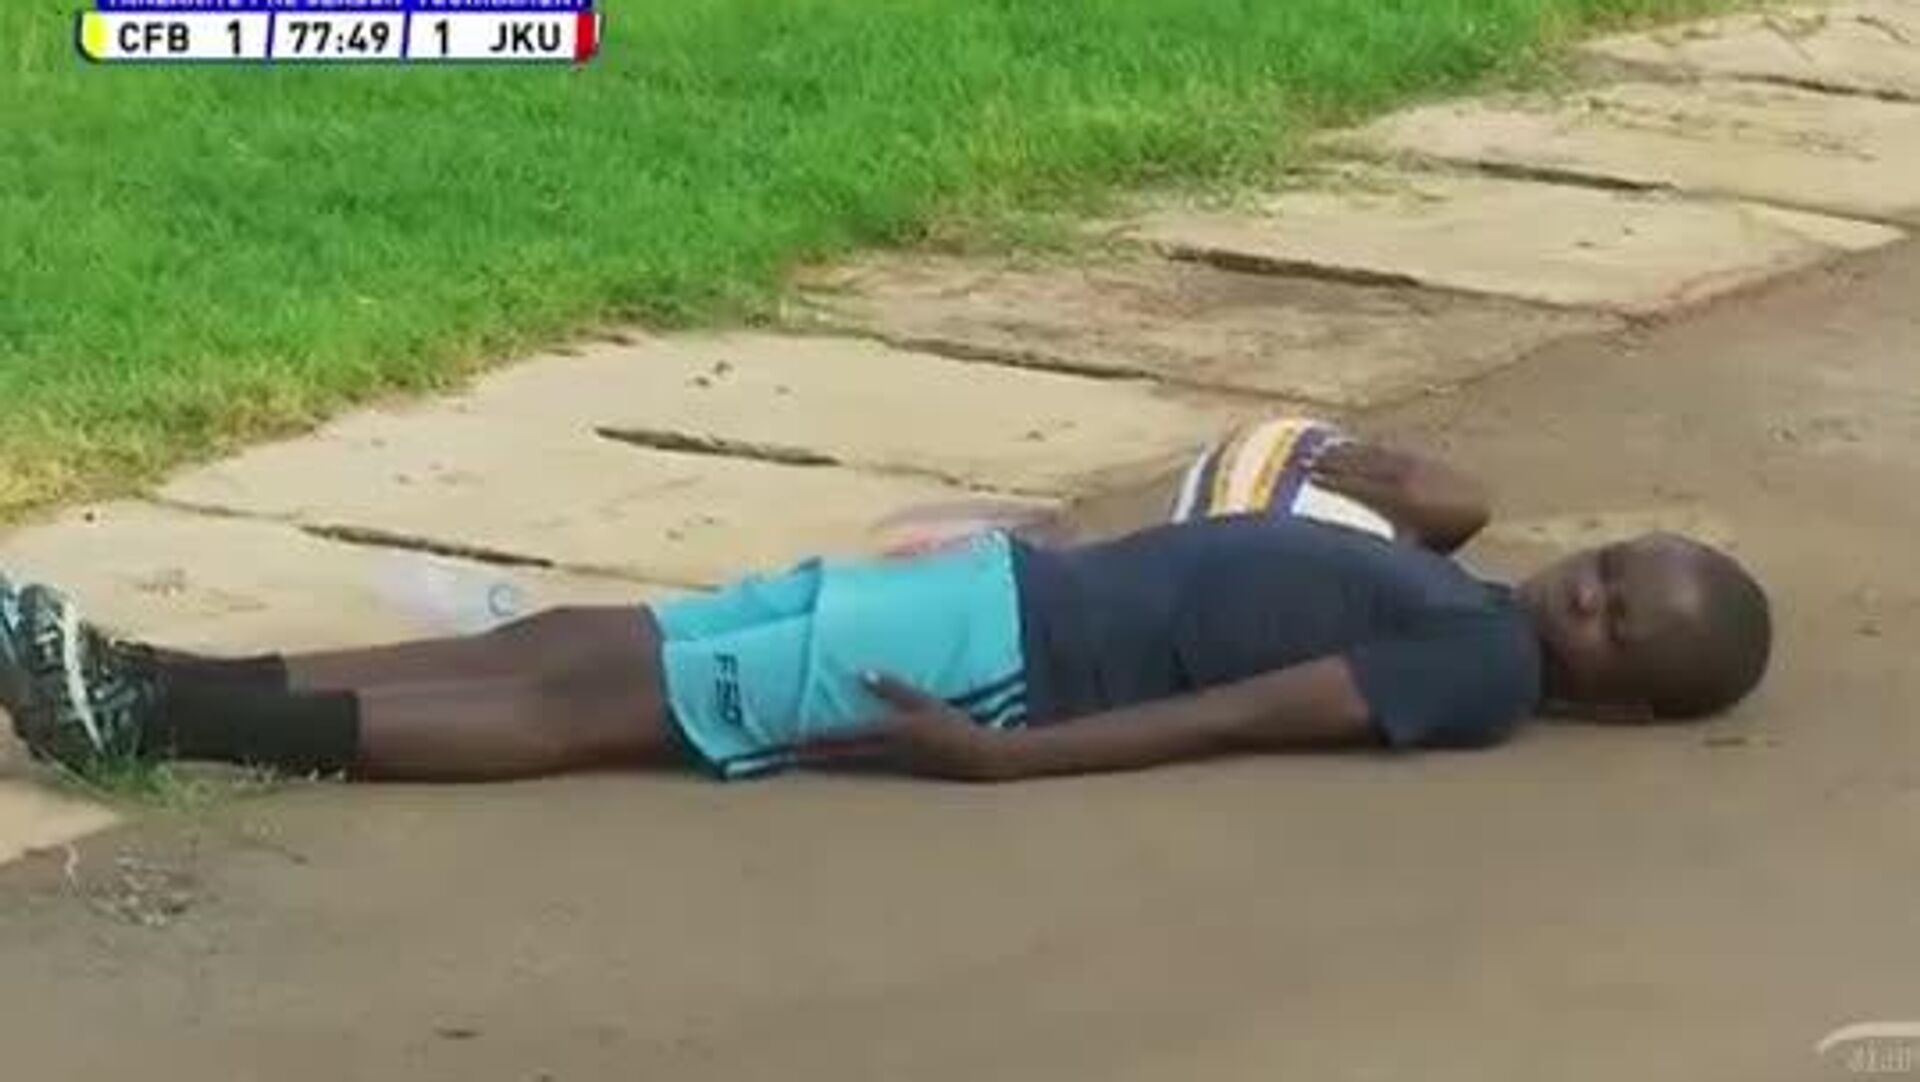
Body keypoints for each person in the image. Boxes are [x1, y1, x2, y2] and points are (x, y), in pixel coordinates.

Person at [0, 490, 1771, 783]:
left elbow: (1255, 708)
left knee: (597, 700)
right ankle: (150, 675)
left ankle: (158, 725)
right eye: (1613, 562)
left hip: (1004, 661)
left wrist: (1009, 759)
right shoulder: (1469, 594)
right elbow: (1408, 508)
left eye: (1620, 624)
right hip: (997, 591)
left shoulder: (1479, 672)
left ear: (1617, 701)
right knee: (593, 632)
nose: (1588, 593)